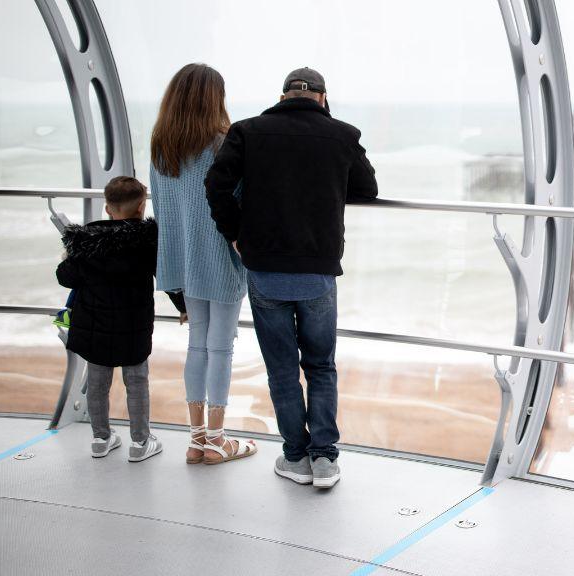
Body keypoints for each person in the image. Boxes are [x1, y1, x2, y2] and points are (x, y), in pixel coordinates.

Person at [206, 67, 378, 488]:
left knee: (282, 370)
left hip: (264, 267)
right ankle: (325, 460)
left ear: (283, 96)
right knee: (320, 366)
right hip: (317, 270)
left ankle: (295, 457)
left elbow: (217, 185)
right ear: (322, 97)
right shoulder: (343, 134)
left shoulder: (247, 131)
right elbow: (367, 189)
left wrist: (236, 234)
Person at [150, 63, 256, 466]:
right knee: (221, 349)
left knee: (197, 344)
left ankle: (196, 440)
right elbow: (240, 201)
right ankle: (217, 440)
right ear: (216, 98)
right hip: (221, 257)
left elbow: (161, 207)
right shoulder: (221, 144)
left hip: (182, 260)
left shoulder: (162, 145)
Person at [56, 176, 185, 462]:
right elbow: (166, 277)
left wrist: (69, 254)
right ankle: (140, 442)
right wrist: (182, 307)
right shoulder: (148, 241)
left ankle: (101, 439)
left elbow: (65, 278)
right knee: (137, 381)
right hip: (134, 326)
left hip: (94, 327)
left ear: (106, 208)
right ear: (141, 207)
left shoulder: (86, 242)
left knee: (98, 382)